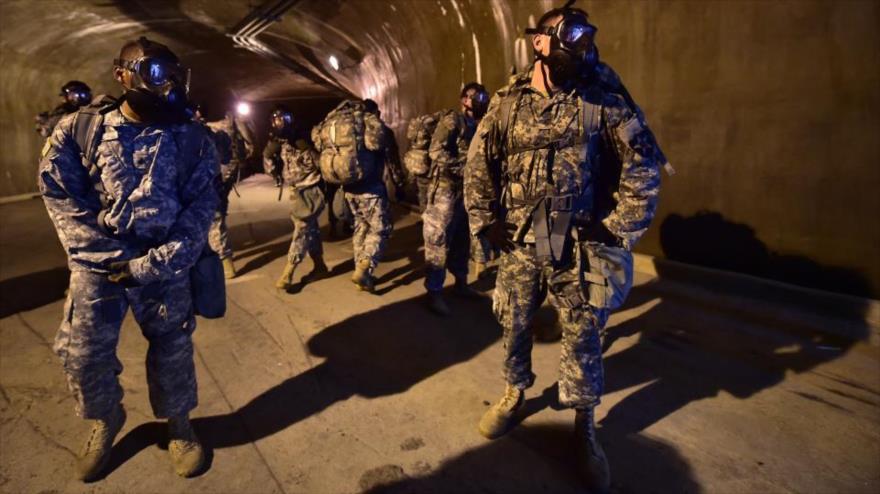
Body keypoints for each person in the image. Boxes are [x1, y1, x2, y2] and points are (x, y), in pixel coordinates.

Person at [464, 2, 667, 491]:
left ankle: (586, 425)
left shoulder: (603, 100)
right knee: (513, 321)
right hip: (518, 240)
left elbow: (644, 167)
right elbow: (479, 162)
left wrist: (618, 229)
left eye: (587, 40)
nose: (582, 49)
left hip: (577, 241)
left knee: (583, 334)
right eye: (569, 38)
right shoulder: (508, 102)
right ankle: (514, 393)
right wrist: (482, 219)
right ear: (540, 42)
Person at [38, 36, 218, 480]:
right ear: (123, 75)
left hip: (163, 269)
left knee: (172, 348)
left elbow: (200, 211)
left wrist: (153, 264)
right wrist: (109, 258)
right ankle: (106, 419)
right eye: (155, 73)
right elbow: (61, 198)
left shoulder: (193, 138)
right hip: (99, 270)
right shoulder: (80, 129)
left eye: (173, 74)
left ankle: (178, 425)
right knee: (84, 356)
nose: (167, 85)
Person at [313, 99, 404, 292]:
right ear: (374, 114)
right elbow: (392, 161)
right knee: (381, 228)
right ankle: (365, 266)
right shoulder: (380, 130)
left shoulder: (344, 128)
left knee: (361, 227)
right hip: (371, 189)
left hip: (349, 189)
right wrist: (399, 184)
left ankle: (363, 274)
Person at [422, 82, 489, 315]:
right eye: (476, 96)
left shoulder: (481, 125)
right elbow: (436, 152)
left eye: (483, 96)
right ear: (464, 100)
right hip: (445, 191)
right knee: (438, 241)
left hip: (465, 192)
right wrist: (464, 168)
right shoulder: (452, 121)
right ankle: (434, 292)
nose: (481, 100)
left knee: (462, 239)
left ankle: (461, 283)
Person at [275, 122, 329, 290]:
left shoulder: (305, 142)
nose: (278, 123)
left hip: (311, 190)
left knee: (302, 228)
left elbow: (321, 164)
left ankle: (289, 271)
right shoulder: (283, 144)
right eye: (275, 120)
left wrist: (307, 149)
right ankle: (320, 266)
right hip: (296, 191)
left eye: (282, 119)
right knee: (310, 229)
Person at [206, 106, 255, 278]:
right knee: (217, 211)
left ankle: (224, 260)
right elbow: (249, 145)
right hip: (226, 171)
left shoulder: (198, 121)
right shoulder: (231, 118)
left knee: (215, 215)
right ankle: (220, 258)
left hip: (212, 173)